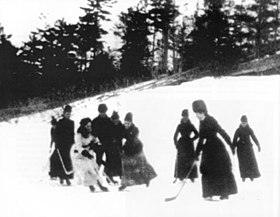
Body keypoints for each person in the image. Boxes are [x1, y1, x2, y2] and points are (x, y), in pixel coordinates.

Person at [192, 100, 237, 200]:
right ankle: (209, 194)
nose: (196, 116)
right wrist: (196, 153)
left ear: (201, 112)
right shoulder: (201, 122)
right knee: (206, 170)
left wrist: (231, 144)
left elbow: (221, 132)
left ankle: (224, 193)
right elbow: (201, 139)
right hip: (208, 149)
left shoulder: (211, 120)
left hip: (217, 149)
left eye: (196, 113)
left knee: (220, 170)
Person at [119, 112, 157, 191]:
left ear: (131, 123)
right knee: (126, 168)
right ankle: (124, 184)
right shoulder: (122, 128)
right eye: (125, 123)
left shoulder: (135, 129)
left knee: (142, 166)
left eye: (128, 123)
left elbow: (131, 140)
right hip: (127, 150)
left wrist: (124, 143)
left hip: (136, 149)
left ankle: (147, 179)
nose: (126, 125)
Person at [71, 118, 108, 192]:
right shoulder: (79, 134)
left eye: (90, 126)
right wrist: (85, 152)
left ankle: (97, 184)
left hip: (88, 153)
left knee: (94, 167)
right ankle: (95, 185)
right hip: (79, 155)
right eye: (87, 126)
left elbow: (96, 141)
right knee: (89, 168)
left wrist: (96, 145)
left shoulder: (91, 134)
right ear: (83, 126)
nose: (89, 128)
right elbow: (78, 146)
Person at [232, 115, 261, 182]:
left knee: (251, 162)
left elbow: (254, 137)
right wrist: (233, 148)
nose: (244, 124)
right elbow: (235, 139)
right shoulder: (238, 130)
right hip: (241, 149)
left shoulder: (249, 129)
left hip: (248, 148)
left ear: (247, 122)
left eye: (245, 123)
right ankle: (243, 176)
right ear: (241, 122)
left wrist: (258, 145)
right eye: (242, 123)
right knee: (242, 163)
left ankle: (251, 175)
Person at [173, 109, 199, 183]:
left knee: (190, 160)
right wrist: (176, 144)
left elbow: (197, 134)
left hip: (189, 144)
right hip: (181, 144)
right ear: (182, 117)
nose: (185, 118)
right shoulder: (179, 126)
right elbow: (175, 136)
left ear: (188, 117)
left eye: (186, 116)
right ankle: (180, 176)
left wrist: (191, 139)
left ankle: (191, 176)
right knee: (181, 160)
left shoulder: (191, 125)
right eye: (184, 116)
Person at [54, 105, 75, 185]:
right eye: (67, 114)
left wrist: (73, 143)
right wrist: (57, 145)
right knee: (61, 161)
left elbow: (72, 134)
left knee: (68, 161)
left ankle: (67, 177)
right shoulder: (60, 122)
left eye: (69, 114)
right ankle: (63, 178)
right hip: (61, 145)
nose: (68, 115)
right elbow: (56, 134)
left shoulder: (71, 123)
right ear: (64, 114)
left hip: (68, 145)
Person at [104, 111, 125, 183]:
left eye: (117, 119)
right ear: (112, 120)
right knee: (110, 162)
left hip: (118, 145)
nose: (116, 121)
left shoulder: (120, 124)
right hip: (110, 147)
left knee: (119, 161)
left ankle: (121, 176)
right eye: (114, 120)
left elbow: (123, 133)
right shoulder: (109, 125)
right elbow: (107, 135)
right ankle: (109, 177)